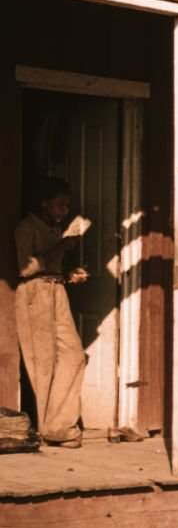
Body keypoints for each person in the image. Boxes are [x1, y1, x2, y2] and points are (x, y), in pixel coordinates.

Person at [14, 177, 89, 448]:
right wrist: (61, 246)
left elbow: (52, 266)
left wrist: (70, 275)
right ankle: (53, 429)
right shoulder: (27, 227)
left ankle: (59, 425)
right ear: (44, 203)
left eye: (67, 207)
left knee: (74, 355)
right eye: (59, 205)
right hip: (34, 293)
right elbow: (24, 268)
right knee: (43, 363)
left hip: (57, 290)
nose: (63, 212)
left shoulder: (55, 230)